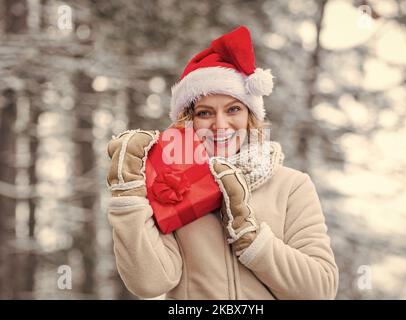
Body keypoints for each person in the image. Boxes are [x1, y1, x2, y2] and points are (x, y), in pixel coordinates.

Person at [106, 26, 339, 300]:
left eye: (233, 109)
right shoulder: (170, 185)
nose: (220, 125)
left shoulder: (292, 186)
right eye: (205, 113)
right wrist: (129, 198)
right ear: (187, 123)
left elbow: (320, 289)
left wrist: (251, 240)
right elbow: (151, 283)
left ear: (251, 116)